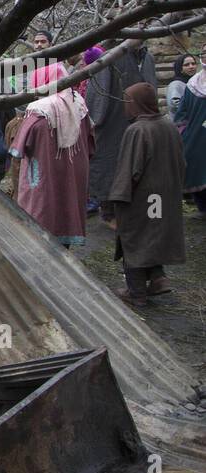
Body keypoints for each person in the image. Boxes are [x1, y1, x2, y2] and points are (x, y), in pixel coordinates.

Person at [110, 83, 186, 307]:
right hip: (163, 196)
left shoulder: (137, 130)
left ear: (137, 103)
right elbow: (181, 162)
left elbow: (128, 170)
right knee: (153, 234)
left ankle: (137, 293)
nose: (125, 107)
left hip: (142, 197)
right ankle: (158, 278)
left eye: (128, 102)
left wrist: (116, 199)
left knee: (133, 238)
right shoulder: (168, 126)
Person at [9, 74, 94, 247]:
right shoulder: (79, 106)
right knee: (66, 208)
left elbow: (18, 149)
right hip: (73, 173)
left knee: (43, 214)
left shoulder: (38, 111)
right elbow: (91, 144)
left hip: (43, 175)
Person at [87, 40, 157, 226]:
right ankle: (110, 213)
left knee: (141, 167)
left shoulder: (146, 57)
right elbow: (97, 98)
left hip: (143, 122)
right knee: (110, 167)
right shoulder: (109, 58)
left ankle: (143, 212)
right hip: (113, 123)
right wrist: (95, 120)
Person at [174, 62, 206, 218]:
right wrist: (183, 131)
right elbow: (182, 111)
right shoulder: (193, 84)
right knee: (195, 168)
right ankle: (203, 207)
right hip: (196, 135)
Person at [167, 53, 197, 118]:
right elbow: (174, 105)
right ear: (180, 68)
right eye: (186, 65)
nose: (191, 66)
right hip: (182, 124)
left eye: (193, 64)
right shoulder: (176, 84)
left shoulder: (195, 83)